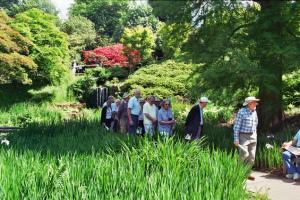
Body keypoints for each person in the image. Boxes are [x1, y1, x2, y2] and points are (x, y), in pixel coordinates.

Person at [233, 96, 259, 181]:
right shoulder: (242, 112)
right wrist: (236, 138)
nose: (256, 103)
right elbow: (236, 126)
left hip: (253, 136)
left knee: (252, 157)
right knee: (244, 154)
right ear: (249, 104)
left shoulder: (254, 111)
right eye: (254, 102)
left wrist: (254, 133)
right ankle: (238, 172)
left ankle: (247, 173)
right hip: (243, 136)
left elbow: (256, 123)